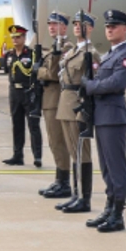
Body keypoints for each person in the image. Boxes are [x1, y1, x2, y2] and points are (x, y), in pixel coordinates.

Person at [82, 10, 126, 233]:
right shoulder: (109, 55)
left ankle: (118, 213)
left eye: (114, 26)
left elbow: (115, 83)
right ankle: (109, 207)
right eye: (107, 26)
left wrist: (90, 86)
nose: (110, 29)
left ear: (124, 29)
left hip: (113, 117)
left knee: (116, 167)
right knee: (105, 167)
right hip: (101, 116)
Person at [55, 12, 99, 214]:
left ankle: (84, 198)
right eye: (74, 24)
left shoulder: (91, 53)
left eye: (80, 24)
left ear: (89, 28)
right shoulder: (73, 50)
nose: (76, 27)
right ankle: (76, 193)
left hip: (77, 105)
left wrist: (86, 112)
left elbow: (92, 83)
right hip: (65, 103)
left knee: (82, 152)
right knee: (74, 152)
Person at [37, 12, 74, 198]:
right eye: (50, 23)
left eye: (56, 24)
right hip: (50, 100)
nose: (51, 27)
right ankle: (60, 178)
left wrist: (39, 71)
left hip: (57, 100)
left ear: (64, 27)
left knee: (59, 142)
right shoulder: (53, 47)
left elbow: (51, 73)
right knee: (54, 142)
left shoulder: (66, 47)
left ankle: (64, 182)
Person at [2, 24, 43, 168]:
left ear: (24, 38)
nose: (15, 40)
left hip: (29, 92)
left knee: (33, 126)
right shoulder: (9, 55)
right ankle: (17, 155)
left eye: (18, 37)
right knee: (17, 125)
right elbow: (7, 71)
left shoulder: (31, 54)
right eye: (13, 37)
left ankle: (37, 156)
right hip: (14, 93)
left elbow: (37, 73)